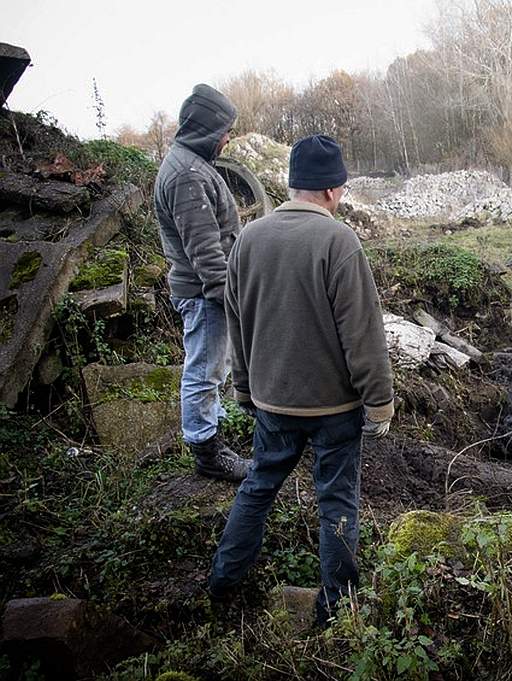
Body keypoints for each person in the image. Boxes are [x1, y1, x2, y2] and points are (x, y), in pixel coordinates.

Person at [208, 134, 395, 624]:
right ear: (333, 190)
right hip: (334, 409)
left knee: (257, 486)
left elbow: (237, 318)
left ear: (293, 183)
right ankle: (336, 609)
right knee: (336, 501)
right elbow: (363, 334)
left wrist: (244, 386)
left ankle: (222, 580)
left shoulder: (250, 238)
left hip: (272, 402)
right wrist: (379, 403)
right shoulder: (339, 241)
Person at [154, 83, 250, 482]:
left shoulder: (190, 163)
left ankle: (213, 426)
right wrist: (228, 297)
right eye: (225, 131)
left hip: (206, 290)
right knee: (204, 370)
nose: (228, 138)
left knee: (214, 366)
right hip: (204, 292)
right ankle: (206, 450)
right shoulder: (187, 175)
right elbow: (205, 251)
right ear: (208, 129)